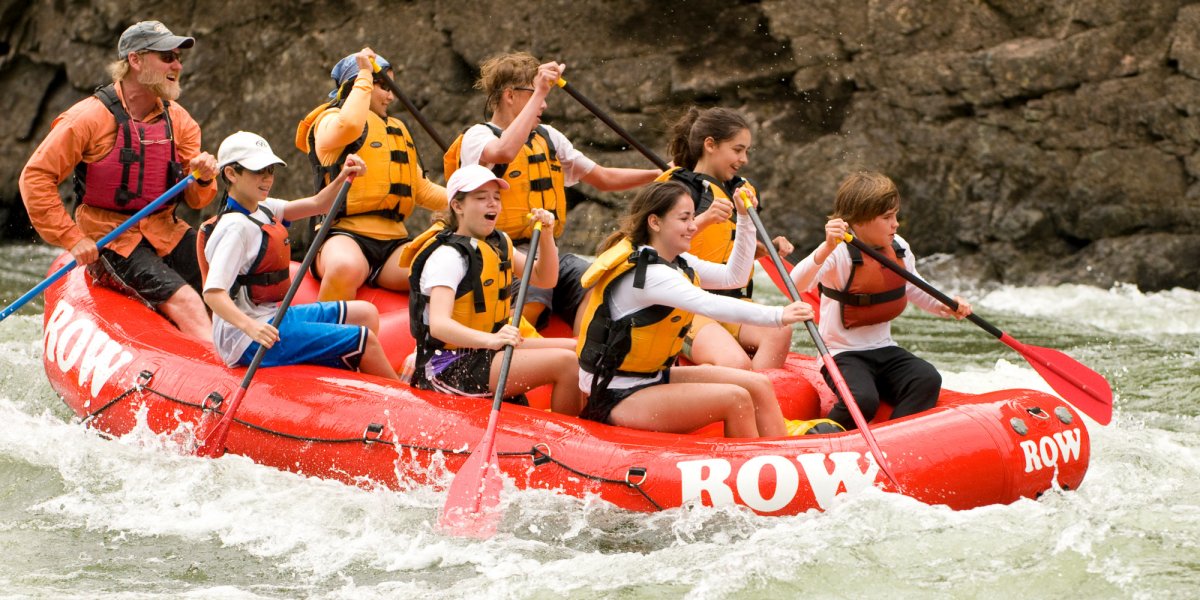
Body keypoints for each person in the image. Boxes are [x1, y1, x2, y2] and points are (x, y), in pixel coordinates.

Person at [19, 20, 217, 342]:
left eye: (178, 57)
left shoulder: (179, 121)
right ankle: (219, 378)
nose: (177, 65)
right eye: (167, 57)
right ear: (135, 61)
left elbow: (197, 200)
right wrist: (72, 238)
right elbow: (36, 176)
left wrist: (204, 178)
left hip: (165, 230)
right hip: (110, 239)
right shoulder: (88, 118)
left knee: (222, 281)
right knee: (186, 300)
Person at [575, 181, 814, 438]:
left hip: (651, 377)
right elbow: (708, 303)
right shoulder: (650, 275)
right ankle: (755, 469)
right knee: (736, 399)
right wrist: (778, 315)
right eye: (684, 218)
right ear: (655, 222)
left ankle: (782, 457)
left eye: (693, 217)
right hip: (616, 394)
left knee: (758, 384)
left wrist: (744, 219)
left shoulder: (675, 260)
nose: (693, 226)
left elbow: (733, 277)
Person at [444, 51, 661, 331]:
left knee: (594, 282)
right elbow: (504, 151)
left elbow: (603, 177)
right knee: (536, 293)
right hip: (498, 252)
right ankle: (510, 348)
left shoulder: (548, 137)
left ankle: (583, 355)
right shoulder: (479, 136)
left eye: (543, 96)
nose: (544, 104)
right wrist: (541, 90)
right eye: (536, 94)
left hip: (546, 253)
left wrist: (657, 174)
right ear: (510, 96)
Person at [198, 131, 398, 379]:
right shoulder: (234, 228)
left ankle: (349, 382)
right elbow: (213, 294)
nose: (267, 178)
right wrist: (252, 328)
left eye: (270, 170)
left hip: (272, 317)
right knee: (364, 338)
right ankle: (403, 401)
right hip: (244, 339)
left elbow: (318, 205)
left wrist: (344, 176)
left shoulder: (263, 208)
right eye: (258, 171)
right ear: (231, 173)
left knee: (364, 314)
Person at [789, 172, 973, 431]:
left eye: (895, 215)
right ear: (859, 220)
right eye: (887, 218)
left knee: (927, 378)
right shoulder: (838, 251)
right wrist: (826, 248)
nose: (895, 224)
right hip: (843, 354)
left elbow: (914, 286)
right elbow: (794, 284)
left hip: (885, 349)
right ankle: (819, 433)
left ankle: (895, 437)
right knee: (863, 400)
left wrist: (945, 304)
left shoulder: (899, 247)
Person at [404, 165, 581, 415]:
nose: (493, 204)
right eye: (481, 198)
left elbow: (545, 278)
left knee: (578, 349)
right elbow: (439, 325)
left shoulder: (500, 243)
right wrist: (492, 339)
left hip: (488, 350)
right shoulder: (448, 257)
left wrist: (546, 235)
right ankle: (566, 441)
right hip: (450, 365)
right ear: (458, 205)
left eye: (496, 197)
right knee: (566, 363)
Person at [295, 47, 447, 301]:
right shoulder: (329, 120)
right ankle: (324, 334)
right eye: (384, 87)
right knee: (346, 266)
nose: (390, 96)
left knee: (444, 269)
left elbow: (422, 190)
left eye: (392, 88)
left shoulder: (396, 129)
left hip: (394, 243)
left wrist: (466, 196)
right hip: (344, 236)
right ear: (358, 85)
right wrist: (365, 72)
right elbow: (351, 125)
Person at [658, 107, 795, 371]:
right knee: (736, 362)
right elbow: (657, 245)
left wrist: (768, 249)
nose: (744, 158)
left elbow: (727, 251)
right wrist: (705, 218)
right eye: (737, 149)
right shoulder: (678, 189)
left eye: (746, 151)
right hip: (687, 303)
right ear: (710, 144)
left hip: (730, 300)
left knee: (780, 331)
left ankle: (762, 399)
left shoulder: (739, 191)